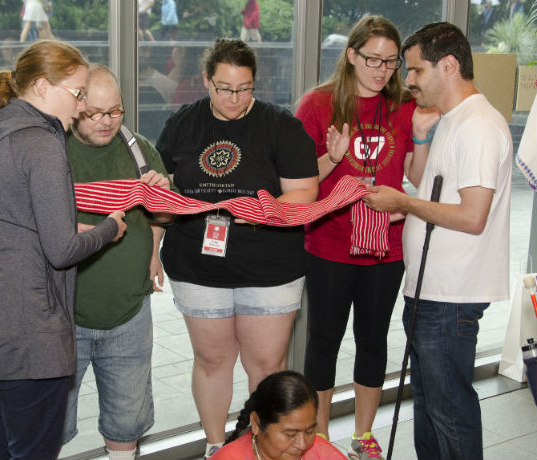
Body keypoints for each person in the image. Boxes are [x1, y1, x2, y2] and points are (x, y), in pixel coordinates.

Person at [0, 40, 127, 460]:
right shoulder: (41, 142)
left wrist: (65, 226)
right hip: (26, 330)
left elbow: (5, 220)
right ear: (42, 87)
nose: (81, 108)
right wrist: (107, 229)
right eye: (78, 94)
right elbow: (61, 252)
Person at [156, 38, 319, 458]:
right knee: (212, 361)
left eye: (244, 88)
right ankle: (216, 448)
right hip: (197, 264)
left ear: (254, 84)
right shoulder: (182, 124)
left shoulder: (281, 126)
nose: (234, 98)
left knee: (265, 366)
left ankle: (263, 449)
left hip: (270, 267)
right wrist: (151, 248)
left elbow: (304, 192)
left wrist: (266, 211)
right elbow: (162, 194)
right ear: (206, 82)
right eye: (225, 88)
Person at [363, 22, 512, 460]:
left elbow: (471, 217)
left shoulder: (478, 127)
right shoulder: (452, 121)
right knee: (429, 408)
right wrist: (408, 194)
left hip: (451, 296)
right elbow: (431, 188)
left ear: (448, 66)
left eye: (415, 70)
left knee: (449, 413)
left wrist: (405, 206)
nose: (407, 81)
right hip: (431, 291)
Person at [294, 16, 431, 460]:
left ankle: (363, 434)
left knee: (373, 339)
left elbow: (415, 175)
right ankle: (318, 437)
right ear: (351, 55)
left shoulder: (404, 107)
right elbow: (300, 186)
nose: (382, 70)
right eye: (373, 59)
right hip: (330, 244)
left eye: (391, 62)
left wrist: (424, 139)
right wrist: (332, 160)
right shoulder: (316, 105)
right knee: (324, 340)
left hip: (386, 248)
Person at [62, 65, 175, 460]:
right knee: (49, 421)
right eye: (95, 113)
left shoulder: (139, 149)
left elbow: (166, 216)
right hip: (63, 316)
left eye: (116, 111)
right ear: (75, 107)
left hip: (129, 312)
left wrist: (162, 200)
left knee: (126, 421)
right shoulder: (52, 150)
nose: (107, 122)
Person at [209, 371, 347, 460]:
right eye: (290, 434)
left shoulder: (323, 454)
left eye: (309, 431)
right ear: (256, 423)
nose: (303, 444)